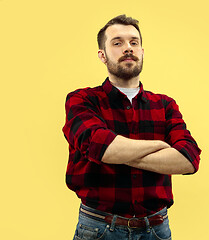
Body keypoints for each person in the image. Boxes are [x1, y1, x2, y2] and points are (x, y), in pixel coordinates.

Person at [62, 14, 201, 240]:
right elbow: (102, 147)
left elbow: (189, 159)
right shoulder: (82, 100)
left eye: (134, 42)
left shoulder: (165, 105)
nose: (128, 48)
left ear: (142, 52)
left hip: (156, 230)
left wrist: (117, 152)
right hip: (99, 228)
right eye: (117, 43)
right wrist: (160, 145)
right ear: (103, 55)